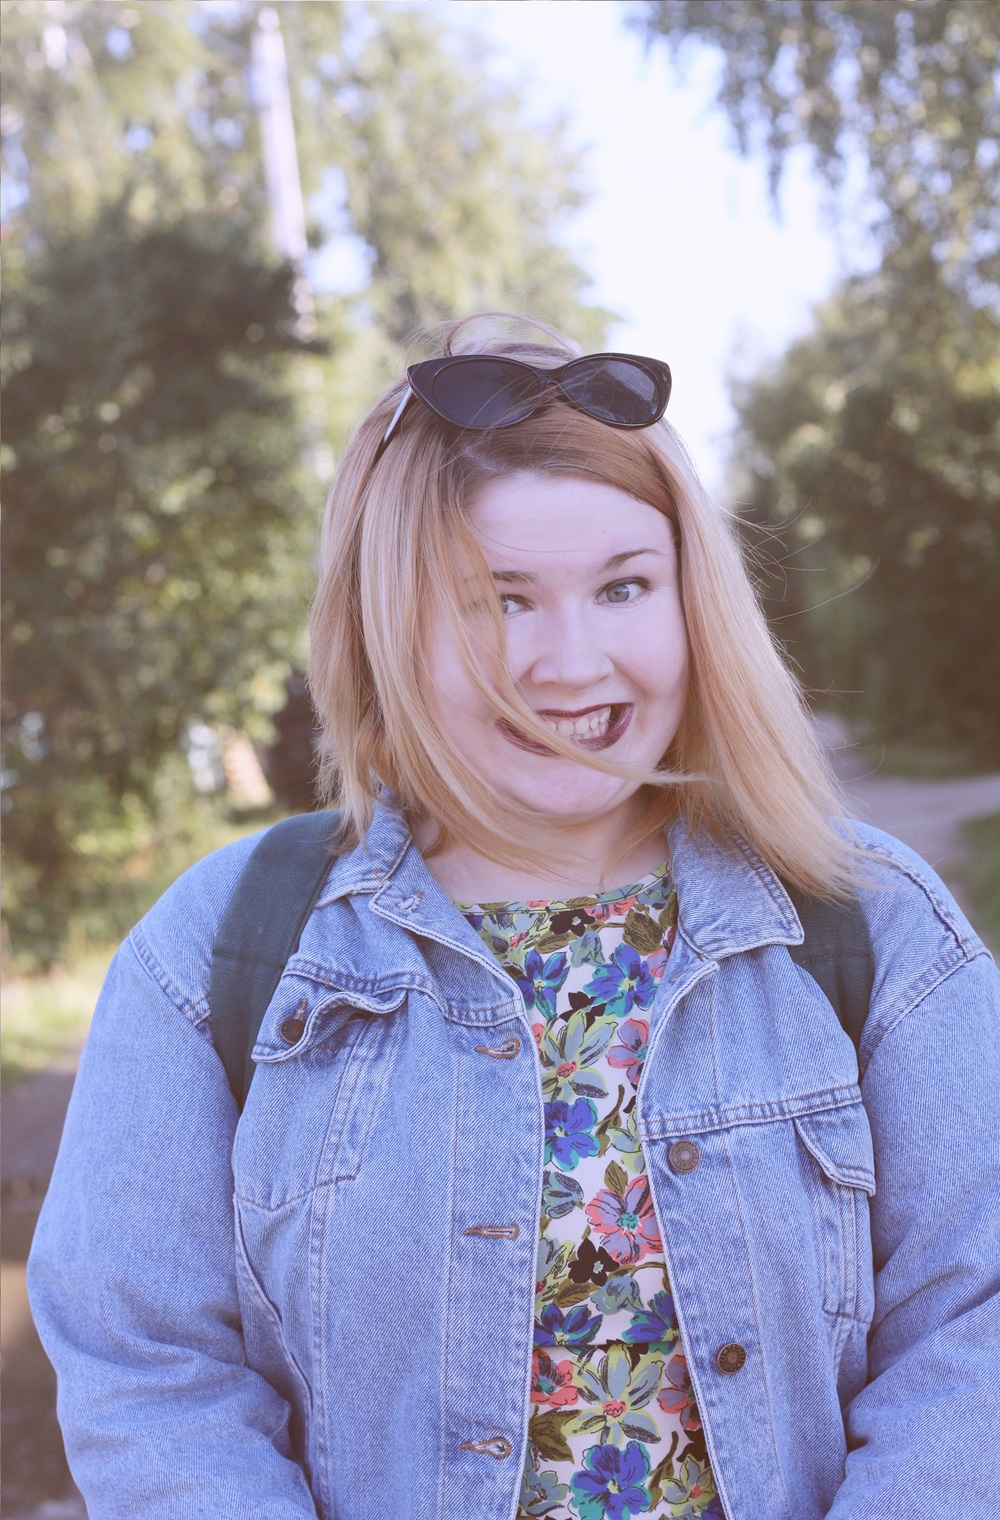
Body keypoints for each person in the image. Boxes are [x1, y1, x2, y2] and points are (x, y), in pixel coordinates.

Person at [28, 315, 1000, 1520]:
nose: (570, 662)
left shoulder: (874, 923)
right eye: (498, 601)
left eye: (623, 586)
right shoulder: (217, 948)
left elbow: (976, 1331)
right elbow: (147, 1368)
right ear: (388, 624)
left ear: (694, 601)